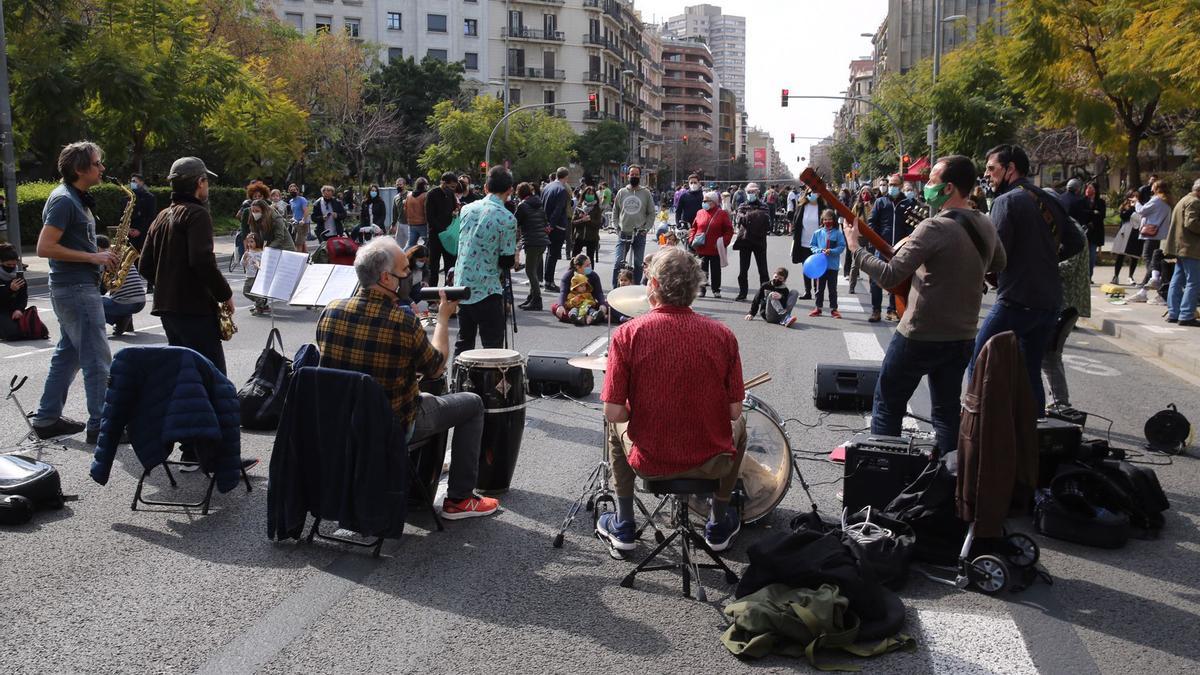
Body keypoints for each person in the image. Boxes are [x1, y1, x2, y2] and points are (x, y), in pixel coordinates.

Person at [316, 238, 499, 519]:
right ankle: (460, 498)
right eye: (405, 270)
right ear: (386, 278)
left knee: (427, 396)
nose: (410, 277)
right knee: (472, 404)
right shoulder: (403, 322)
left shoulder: (331, 311)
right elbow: (436, 367)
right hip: (391, 425)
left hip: (341, 422)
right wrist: (442, 319)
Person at [846, 155, 1006, 456]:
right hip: (962, 335)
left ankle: (884, 474)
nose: (927, 186)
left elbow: (891, 274)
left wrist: (856, 250)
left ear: (948, 188)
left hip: (919, 334)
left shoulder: (934, 227)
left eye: (932, 180)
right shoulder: (984, 223)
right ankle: (950, 479)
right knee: (946, 413)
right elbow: (1000, 262)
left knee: (887, 404)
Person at [596, 247, 747, 552]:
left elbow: (614, 412)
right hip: (710, 463)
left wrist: (642, 410)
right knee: (742, 425)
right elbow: (733, 411)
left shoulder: (628, 334)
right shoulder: (723, 335)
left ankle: (624, 524)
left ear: (652, 287)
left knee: (613, 428)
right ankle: (718, 523)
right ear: (696, 288)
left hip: (651, 462)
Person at [972, 144, 1084, 412]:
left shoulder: (1005, 201)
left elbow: (995, 253)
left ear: (1010, 169)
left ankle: (976, 429)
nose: (987, 175)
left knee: (979, 362)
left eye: (991, 169)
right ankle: (1034, 434)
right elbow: (1077, 241)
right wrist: (1045, 260)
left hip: (1016, 300)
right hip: (1049, 302)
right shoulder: (1049, 198)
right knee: (1030, 370)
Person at [30, 141, 119, 442]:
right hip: (76, 288)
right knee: (97, 359)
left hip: (77, 286)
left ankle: (46, 419)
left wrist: (100, 255)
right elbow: (45, 247)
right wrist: (94, 257)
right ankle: (100, 426)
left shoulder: (74, 198)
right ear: (80, 169)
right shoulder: (64, 201)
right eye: (97, 163)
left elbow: (68, 243)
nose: (102, 168)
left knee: (68, 356)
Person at [453, 166, 518, 355]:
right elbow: (506, 261)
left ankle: (458, 382)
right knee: (493, 348)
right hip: (488, 290)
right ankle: (489, 385)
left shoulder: (466, 209)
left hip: (461, 286)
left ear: (486, 187)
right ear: (509, 190)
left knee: (463, 343)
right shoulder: (507, 218)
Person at [867, 174, 916, 323]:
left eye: (895, 184)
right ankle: (876, 310)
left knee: (897, 281)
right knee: (876, 280)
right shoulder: (880, 202)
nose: (892, 187)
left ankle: (892, 310)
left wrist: (908, 242)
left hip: (901, 249)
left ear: (901, 186)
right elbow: (872, 222)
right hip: (881, 248)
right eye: (890, 184)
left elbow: (912, 226)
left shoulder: (908, 203)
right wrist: (875, 240)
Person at [1128, 180, 1173, 302]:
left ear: (1157, 188)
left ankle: (1154, 281)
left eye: (1153, 186)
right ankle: (1146, 288)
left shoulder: (1156, 200)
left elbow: (1142, 211)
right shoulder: (1167, 200)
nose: (1151, 187)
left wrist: (1136, 202)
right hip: (1161, 234)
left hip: (1151, 234)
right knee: (1155, 261)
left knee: (1150, 259)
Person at [611, 165, 655, 286]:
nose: (634, 176)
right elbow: (615, 211)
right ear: (628, 175)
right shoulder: (622, 192)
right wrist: (616, 226)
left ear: (639, 176)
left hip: (639, 234)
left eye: (636, 174)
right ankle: (615, 289)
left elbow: (651, 213)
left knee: (638, 263)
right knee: (618, 262)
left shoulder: (645, 193)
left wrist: (646, 228)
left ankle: (634, 289)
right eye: (632, 174)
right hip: (623, 233)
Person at [1165, 178, 1200, 327]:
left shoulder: (1184, 199)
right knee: (1193, 281)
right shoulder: (1194, 202)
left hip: (1180, 247)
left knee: (1177, 279)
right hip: (1190, 248)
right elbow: (1191, 223)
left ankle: (1174, 312)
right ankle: (1186, 314)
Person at [95, 234, 147, 335]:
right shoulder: (121, 256)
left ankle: (120, 320)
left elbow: (102, 290)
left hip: (125, 304)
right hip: (141, 301)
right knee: (118, 296)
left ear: (97, 247)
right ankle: (126, 323)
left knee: (90, 302)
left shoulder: (104, 259)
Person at [732, 182, 772, 301]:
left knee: (763, 270)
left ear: (758, 192)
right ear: (746, 193)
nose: (751, 194)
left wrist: (749, 217)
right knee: (743, 270)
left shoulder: (764, 205)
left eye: (753, 192)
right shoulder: (742, 205)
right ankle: (743, 292)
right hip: (745, 241)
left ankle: (765, 294)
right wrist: (756, 217)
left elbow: (767, 222)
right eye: (749, 192)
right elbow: (740, 220)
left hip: (760, 241)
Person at [690, 190, 733, 298]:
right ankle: (701, 289)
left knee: (715, 270)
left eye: (706, 201)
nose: (703, 202)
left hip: (715, 247)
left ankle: (716, 289)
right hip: (701, 247)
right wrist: (691, 239)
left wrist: (723, 242)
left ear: (713, 202)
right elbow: (694, 228)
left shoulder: (722, 213)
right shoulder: (700, 212)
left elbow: (729, 230)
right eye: (703, 200)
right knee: (701, 269)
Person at [515, 182, 549, 311]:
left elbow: (515, 221)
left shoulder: (522, 205)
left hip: (532, 241)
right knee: (533, 271)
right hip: (542, 241)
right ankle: (531, 297)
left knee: (530, 271)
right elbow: (545, 221)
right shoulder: (539, 204)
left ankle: (537, 300)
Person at [808, 209, 845, 318]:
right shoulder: (818, 233)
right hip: (820, 265)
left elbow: (842, 246)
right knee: (819, 288)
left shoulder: (838, 233)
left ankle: (834, 309)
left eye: (829, 219)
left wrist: (832, 251)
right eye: (825, 219)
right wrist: (820, 251)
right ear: (822, 220)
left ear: (833, 220)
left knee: (832, 289)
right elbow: (812, 246)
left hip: (832, 266)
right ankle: (818, 308)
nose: (827, 221)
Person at [425, 172, 460, 287]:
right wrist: (442, 230)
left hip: (449, 236)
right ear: (443, 183)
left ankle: (448, 293)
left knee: (450, 266)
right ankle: (432, 297)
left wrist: (455, 213)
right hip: (436, 235)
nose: (453, 189)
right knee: (433, 267)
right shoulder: (432, 194)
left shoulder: (451, 195)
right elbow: (430, 217)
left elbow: (454, 209)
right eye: (452, 186)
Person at [540, 167, 571, 292]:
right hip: (556, 226)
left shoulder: (547, 187)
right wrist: (551, 225)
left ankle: (547, 279)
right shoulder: (562, 190)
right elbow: (558, 210)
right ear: (566, 177)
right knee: (553, 254)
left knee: (549, 253)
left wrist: (546, 224)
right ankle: (549, 282)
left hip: (546, 223)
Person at [791, 188, 824, 300]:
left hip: (818, 244)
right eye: (810, 193)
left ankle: (817, 291)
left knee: (817, 267)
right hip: (804, 242)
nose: (812, 195)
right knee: (806, 267)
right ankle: (807, 291)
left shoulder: (822, 207)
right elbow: (796, 222)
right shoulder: (802, 206)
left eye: (815, 193)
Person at [1111, 190, 1142, 284]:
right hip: (1125, 232)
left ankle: (1131, 276)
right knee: (1120, 255)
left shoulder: (1141, 206)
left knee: (1134, 256)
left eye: (1136, 196)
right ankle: (1116, 276)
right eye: (1132, 196)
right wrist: (1132, 208)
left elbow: (1142, 218)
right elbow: (1123, 216)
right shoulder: (1125, 206)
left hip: (1136, 232)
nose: (1134, 198)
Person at [0, 243, 29, 340]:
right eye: (8, 265)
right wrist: (9, 290)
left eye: (14, 264)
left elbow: (23, 297)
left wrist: (19, 309)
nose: (12, 267)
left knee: (37, 330)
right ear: (1, 262)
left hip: (13, 311)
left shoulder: (18, 276)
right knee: (13, 335)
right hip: (2, 311)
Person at [124, 173, 157, 251]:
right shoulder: (128, 198)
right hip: (129, 234)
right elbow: (123, 215)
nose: (132, 183)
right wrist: (128, 229)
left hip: (143, 233)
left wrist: (140, 230)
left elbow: (151, 216)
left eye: (134, 181)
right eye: (131, 181)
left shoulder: (150, 197)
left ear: (141, 182)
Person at [572, 183, 603, 262]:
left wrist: (589, 220)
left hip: (591, 237)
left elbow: (598, 224)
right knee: (575, 259)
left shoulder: (597, 209)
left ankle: (589, 274)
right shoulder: (579, 207)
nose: (590, 195)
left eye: (592, 194)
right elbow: (573, 222)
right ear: (584, 195)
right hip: (579, 236)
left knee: (590, 259)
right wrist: (582, 220)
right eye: (588, 193)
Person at [1081, 181, 1107, 277]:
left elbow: (1102, 215)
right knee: (1083, 255)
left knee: (1092, 255)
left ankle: (1089, 275)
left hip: (1095, 232)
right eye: (1087, 188)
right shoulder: (1082, 201)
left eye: (1091, 188)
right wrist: (1093, 212)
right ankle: (1082, 275)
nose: (1088, 190)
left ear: (1095, 190)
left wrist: (1093, 217)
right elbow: (1081, 213)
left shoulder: (1101, 202)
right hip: (1083, 230)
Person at [240, 231, 269, 316]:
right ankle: (260, 302)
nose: (249, 244)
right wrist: (244, 259)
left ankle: (259, 304)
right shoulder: (248, 253)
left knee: (247, 291)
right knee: (247, 292)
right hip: (249, 276)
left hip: (256, 276)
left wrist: (258, 266)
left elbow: (264, 265)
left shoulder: (261, 253)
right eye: (248, 242)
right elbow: (242, 264)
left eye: (252, 242)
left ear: (257, 242)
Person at [406, 177, 429, 247]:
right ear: (424, 185)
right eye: (426, 184)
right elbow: (426, 211)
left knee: (410, 245)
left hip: (411, 224)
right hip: (423, 224)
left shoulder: (409, 195)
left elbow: (405, 209)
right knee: (429, 244)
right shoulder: (425, 195)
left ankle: (403, 257)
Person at [287, 184, 311, 254]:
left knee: (298, 242)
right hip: (296, 223)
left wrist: (303, 220)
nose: (293, 191)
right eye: (291, 190)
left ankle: (298, 259)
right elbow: (295, 212)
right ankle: (307, 256)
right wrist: (292, 218)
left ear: (297, 191)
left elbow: (306, 211)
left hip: (303, 223)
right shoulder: (291, 201)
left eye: (294, 190)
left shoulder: (302, 199)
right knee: (302, 241)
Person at [391, 178, 410, 247]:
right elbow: (394, 212)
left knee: (410, 244)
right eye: (397, 185)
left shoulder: (410, 195)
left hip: (409, 224)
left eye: (400, 185)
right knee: (398, 245)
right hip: (400, 224)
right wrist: (393, 224)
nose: (398, 186)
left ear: (404, 185)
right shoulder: (396, 197)